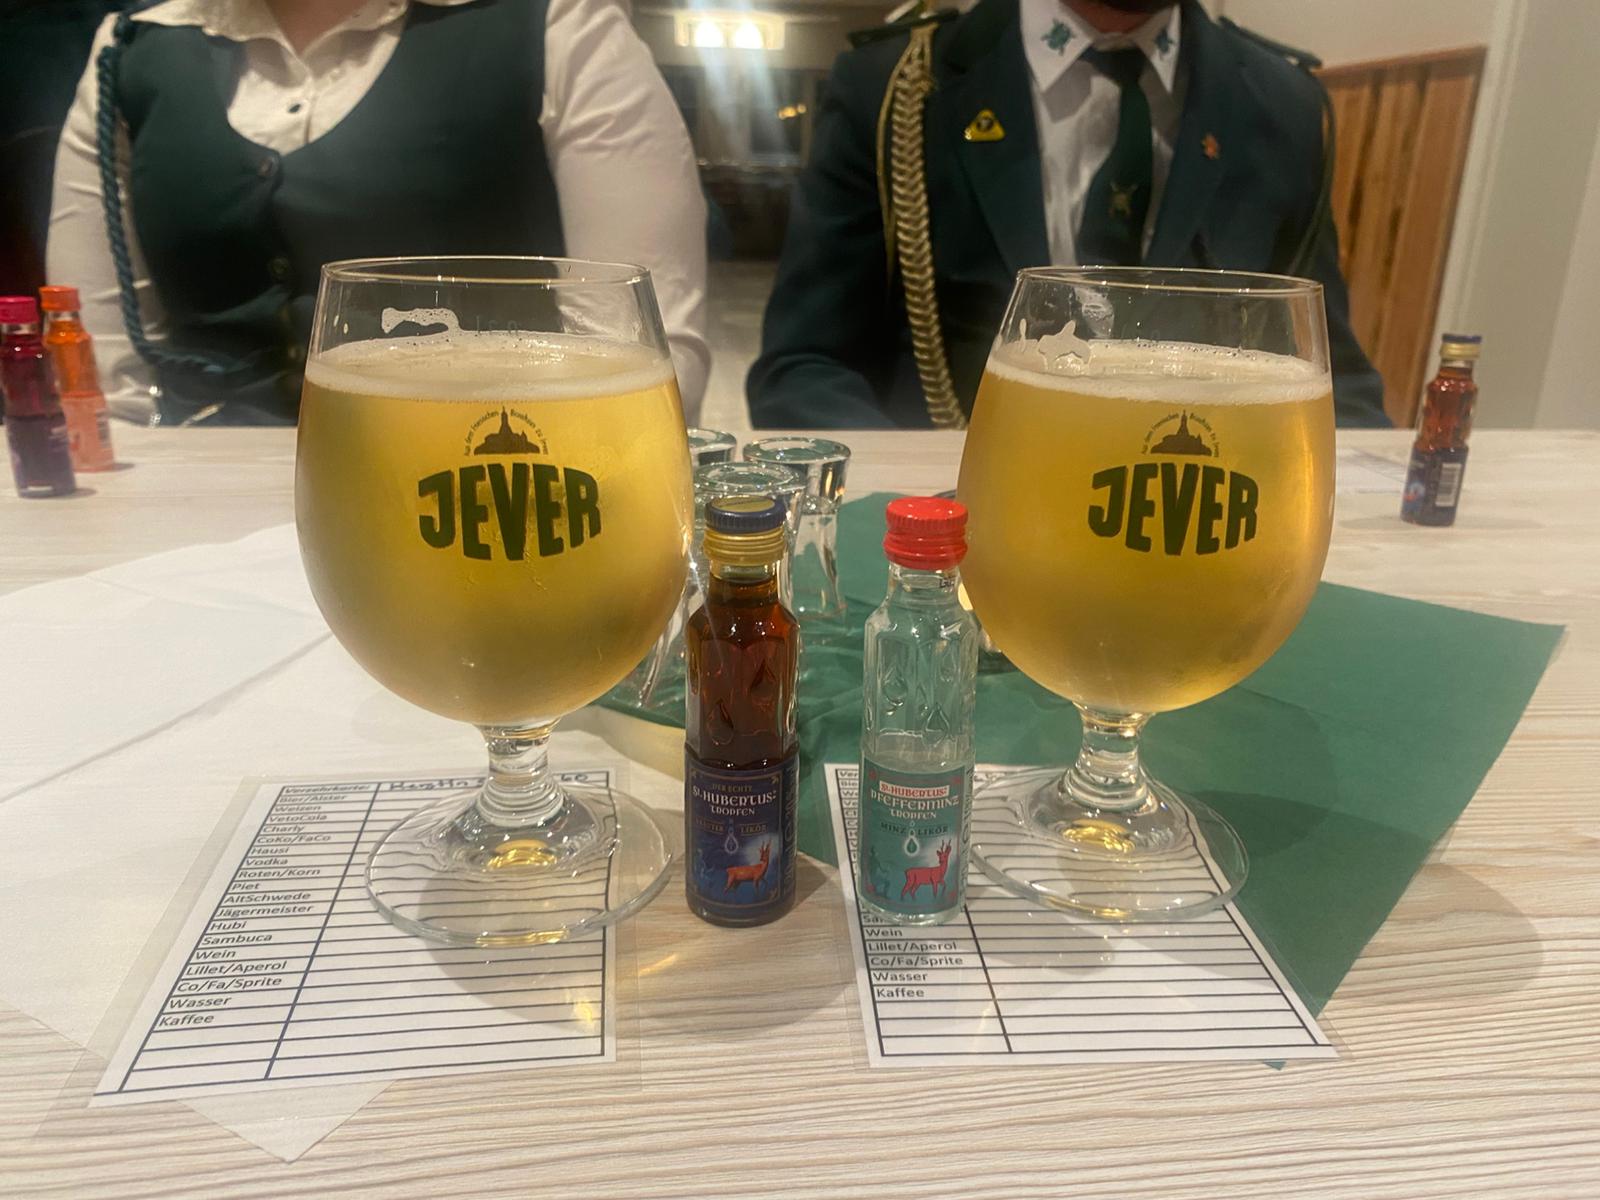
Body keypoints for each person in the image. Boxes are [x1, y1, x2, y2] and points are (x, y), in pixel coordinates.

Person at [46, 0, 709, 425]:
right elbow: (102, 377)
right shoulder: (131, 49)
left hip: (484, 485)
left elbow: (642, 363)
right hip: (195, 493)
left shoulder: (555, 23)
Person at [748, 0, 1391, 429]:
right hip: (956, 543)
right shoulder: (892, 86)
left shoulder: (1285, 106)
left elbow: (1330, 376)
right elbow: (803, 368)